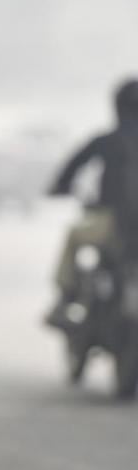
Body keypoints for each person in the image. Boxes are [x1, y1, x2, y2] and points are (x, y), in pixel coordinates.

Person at [47, 79, 138, 324]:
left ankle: (64, 299)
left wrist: (59, 187)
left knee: (73, 235)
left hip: (110, 223)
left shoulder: (107, 141)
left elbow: (71, 167)